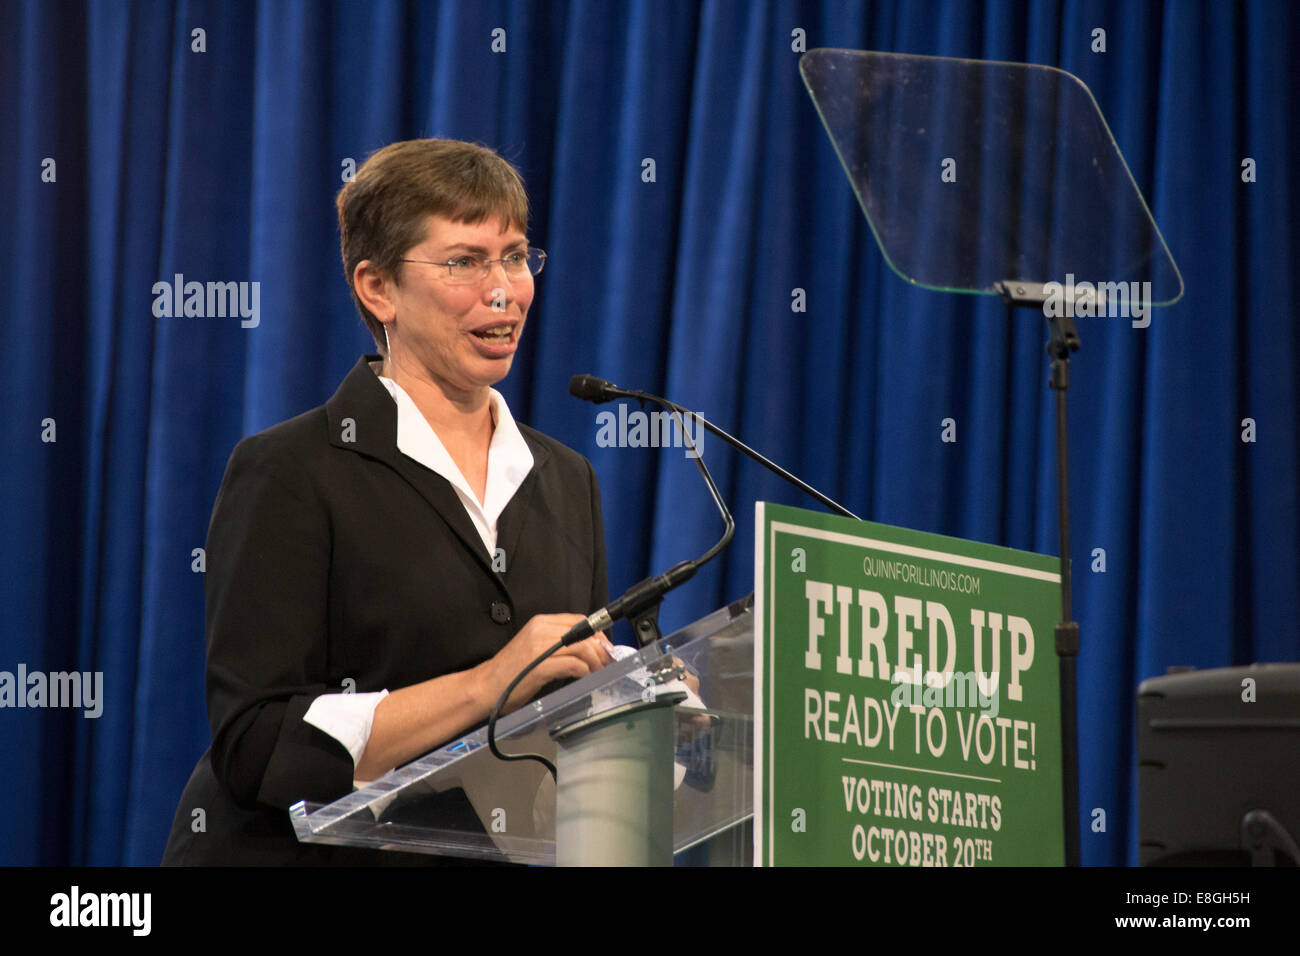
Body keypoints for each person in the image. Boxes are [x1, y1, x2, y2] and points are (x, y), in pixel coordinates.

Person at [162, 139, 614, 865]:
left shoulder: (565, 479)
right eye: (465, 262)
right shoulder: (290, 471)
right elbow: (257, 745)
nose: (505, 289)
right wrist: (489, 685)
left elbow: (556, 716)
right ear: (378, 289)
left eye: (516, 255)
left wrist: (637, 704)